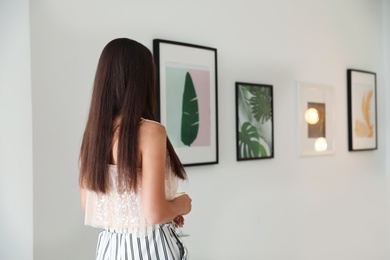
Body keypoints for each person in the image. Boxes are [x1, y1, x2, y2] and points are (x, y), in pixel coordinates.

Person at [79, 38, 192, 260]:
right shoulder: (150, 132)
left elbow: (91, 206)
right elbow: (154, 213)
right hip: (151, 249)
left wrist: (166, 212)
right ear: (142, 80)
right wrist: (180, 204)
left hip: (110, 248)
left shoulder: (95, 133)